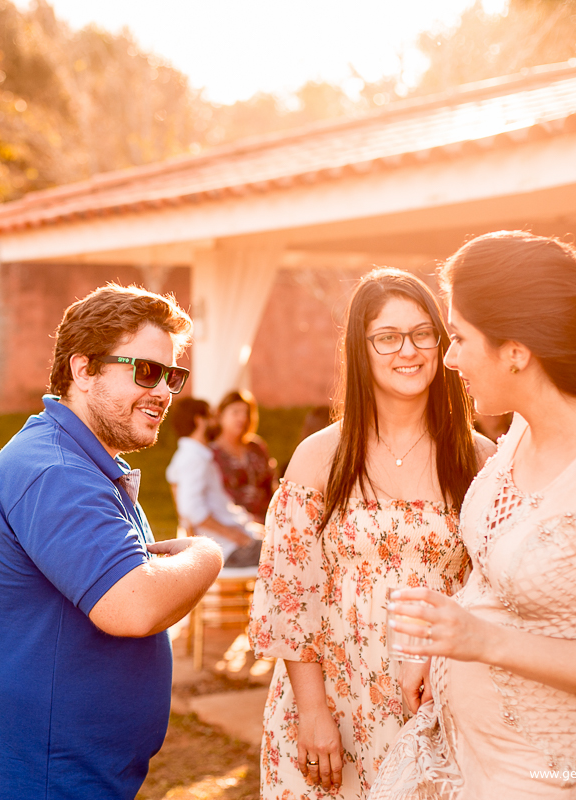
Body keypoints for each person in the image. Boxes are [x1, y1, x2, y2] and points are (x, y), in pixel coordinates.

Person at [370, 231, 576, 800]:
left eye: (460, 337)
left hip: (553, 775)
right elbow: (498, 568)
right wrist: (436, 647)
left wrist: (479, 641)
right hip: (467, 754)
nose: (448, 356)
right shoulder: (518, 432)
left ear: (516, 350)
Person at [0, 284, 224, 800]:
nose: (164, 391)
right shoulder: (56, 470)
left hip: (69, 770)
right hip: (46, 775)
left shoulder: (80, 461)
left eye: (172, 376)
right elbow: (133, 606)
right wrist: (206, 552)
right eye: (145, 371)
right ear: (83, 369)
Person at [249, 268, 489, 799]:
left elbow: (496, 592)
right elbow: (289, 596)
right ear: (360, 349)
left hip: (437, 699)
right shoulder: (321, 456)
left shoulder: (479, 459)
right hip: (332, 698)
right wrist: (312, 712)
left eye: (424, 332)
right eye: (387, 337)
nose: (409, 350)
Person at [166, 396, 263, 568]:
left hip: (233, 542)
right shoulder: (193, 459)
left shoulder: (196, 456)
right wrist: (234, 535)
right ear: (200, 421)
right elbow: (190, 509)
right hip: (229, 549)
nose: (216, 422)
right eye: (210, 417)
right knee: (291, 550)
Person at [211, 389, 278, 519]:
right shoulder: (211, 452)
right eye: (235, 412)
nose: (242, 418)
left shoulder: (256, 446)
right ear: (220, 415)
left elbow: (271, 483)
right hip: (230, 522)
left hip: (267, 519)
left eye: (246, 413)